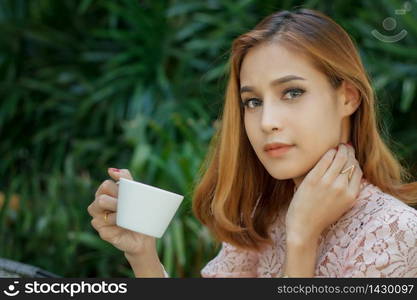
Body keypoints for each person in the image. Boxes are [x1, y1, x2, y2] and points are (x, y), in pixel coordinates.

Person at [87, 8, 417, 278]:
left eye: (292, 93)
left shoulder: (393, 233)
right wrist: (142, 253)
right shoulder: (265, 217)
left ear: (347, 98)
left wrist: (301, 239)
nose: (266, 121)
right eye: (253, 101)